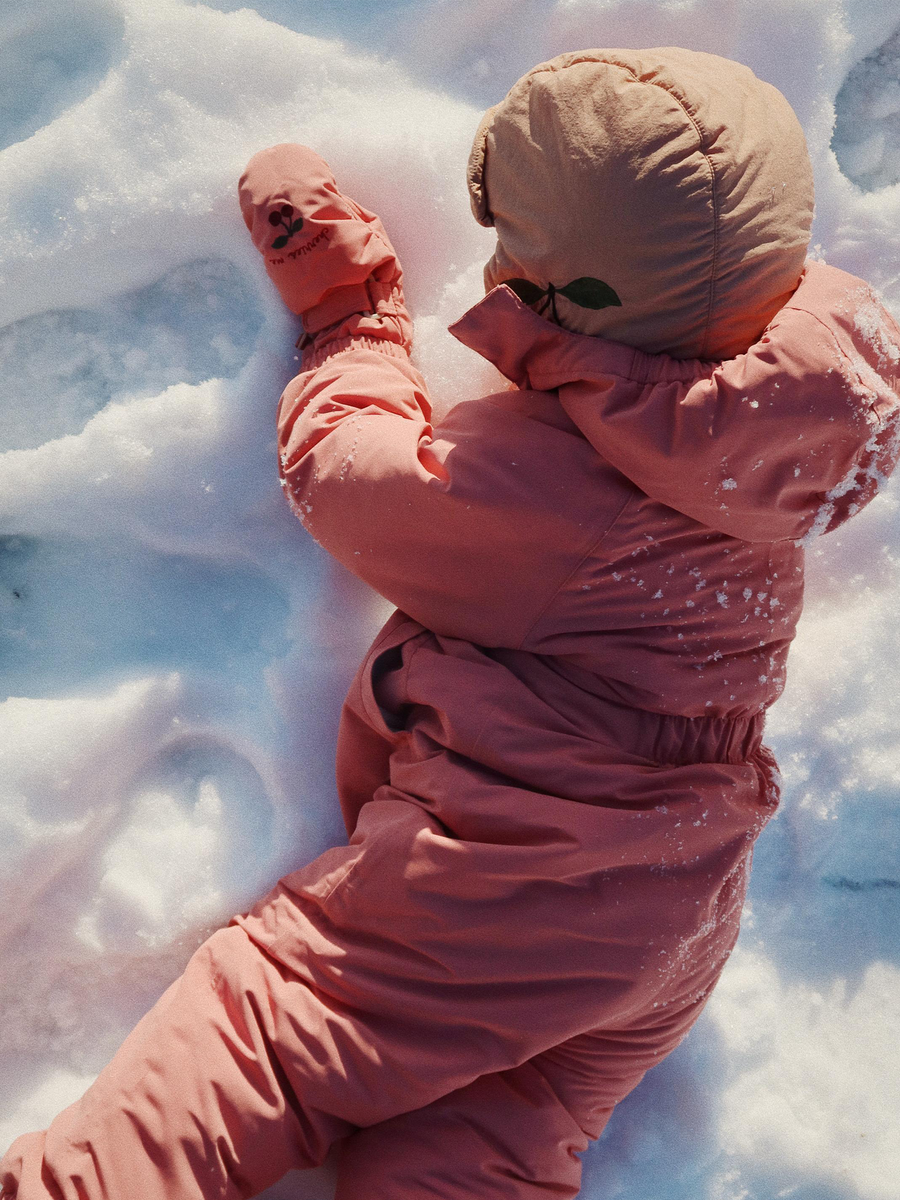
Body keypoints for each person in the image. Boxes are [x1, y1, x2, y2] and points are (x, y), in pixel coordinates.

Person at [3, 46, 899, 1200]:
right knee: (485, 1141)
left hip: (521, 886)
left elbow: (350, 479)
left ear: (570, 297)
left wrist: (352, 319)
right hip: (677, 904)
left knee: (279, 1020)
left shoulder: (562, 499)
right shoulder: (772, 443)